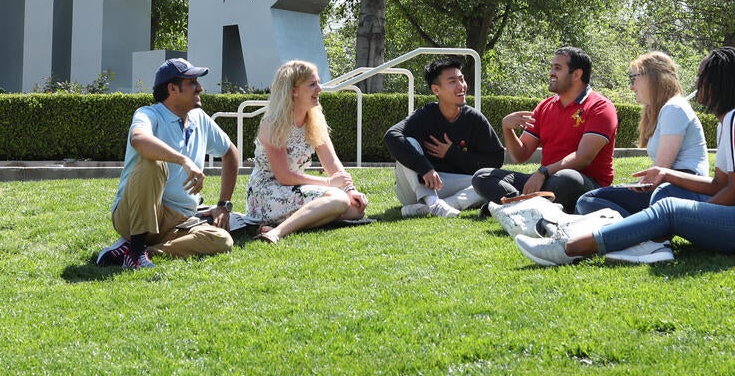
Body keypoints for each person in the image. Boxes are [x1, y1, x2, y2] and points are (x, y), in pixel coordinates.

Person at [515, 47, 735, 266]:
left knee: (665, 203)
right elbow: (719, 185)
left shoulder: (725, 119)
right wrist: (673, 185)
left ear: (720, 81)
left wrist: (696, 214)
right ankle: (635, 236)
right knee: (652, 200)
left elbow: (732, 191)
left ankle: (570, 247)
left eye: (701, 76)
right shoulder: (724, 123)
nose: (696, 83)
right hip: (696, 199)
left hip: (700, 204)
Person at [96, 58, 240, 269]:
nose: (200, 88)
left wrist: (223, 206)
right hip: (132, 215)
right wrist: (184, 160)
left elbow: (230, 152)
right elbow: (138, 139)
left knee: (222, 240)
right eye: (192, 82)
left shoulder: (199, 118)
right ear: (172, 88)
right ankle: (135, 251)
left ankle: (139, 252)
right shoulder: (148, 114)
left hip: (179, 222)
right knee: (152, 164)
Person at [473, 47, 618, 213]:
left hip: (584, 185)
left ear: (577, 74)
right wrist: (507, 128)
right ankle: (521, 207)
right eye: (552, 67)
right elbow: (521, 155)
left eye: (557, 68)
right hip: (547, 180)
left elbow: (583, 157)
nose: (551, 73)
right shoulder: (545, 106)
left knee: (566, 177)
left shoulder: (600, 107)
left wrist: (543, 172)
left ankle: (514, 206)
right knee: (482, 176)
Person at [245, 60, 368, 243]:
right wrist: (329, 183)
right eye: (312, 84)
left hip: (294, 188)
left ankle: (282, 224)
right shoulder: (272, 124)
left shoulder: (314, 119)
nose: (320, 89)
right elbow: (284, 176)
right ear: (293, 90)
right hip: (267, 191)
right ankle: (277, 232)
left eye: (318, 83)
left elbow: (332, 162)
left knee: (354, 209)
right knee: (338, 200)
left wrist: (351, 190)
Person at [575, 51, 709, 218]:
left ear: (652, 77)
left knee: (588, 201)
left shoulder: (674, 108)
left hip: (683, 191)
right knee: (589, 201)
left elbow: (662, 169)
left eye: (634, 78)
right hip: (671, 188)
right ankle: (641, 228)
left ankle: (645, 235)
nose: (632, 87)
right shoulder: (665, 110)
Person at [384, 58, 504, 217]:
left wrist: (452, 154)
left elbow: (495, 159)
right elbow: (391, 136)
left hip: (448, 186)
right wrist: (424, 167)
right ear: (436, 90)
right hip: (415, 187)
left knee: (492, 184)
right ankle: (432, 201)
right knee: (409, 142)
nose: (461, 86)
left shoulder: (474, 119)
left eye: (461, 79)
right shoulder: (424, 116)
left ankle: (433, 207)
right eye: (453, 81)